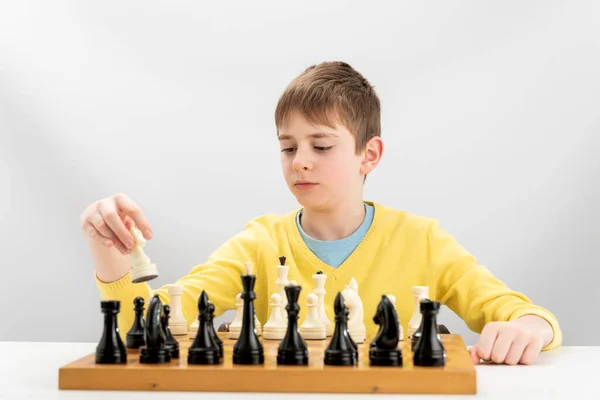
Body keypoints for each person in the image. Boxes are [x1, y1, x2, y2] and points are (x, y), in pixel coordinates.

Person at [81, 61, 561, 366]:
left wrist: (530, 329)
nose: (300, 161)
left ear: (368, 155)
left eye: (322, 145)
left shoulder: (423, 241)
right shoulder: (259, 244)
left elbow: (524, 313)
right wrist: (111, 259)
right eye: (287, 147)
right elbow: (138, 333)